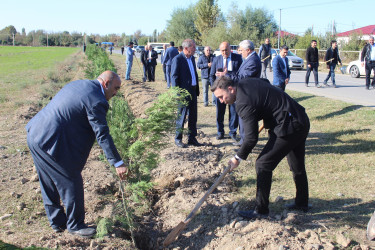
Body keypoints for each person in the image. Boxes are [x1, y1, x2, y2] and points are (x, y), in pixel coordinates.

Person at [26, 71, 129, 237]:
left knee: (48, 182)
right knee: (71, 179)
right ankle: (75, 225)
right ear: (106, 84)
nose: (116, 93)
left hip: (36, 133)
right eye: (116, 88)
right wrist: (117, 162)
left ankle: (57, 222)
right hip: (51, 140)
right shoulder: (97, 100)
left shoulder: (80, 84)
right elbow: (102, 134)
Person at [211, 76, 311, 219]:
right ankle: (302, 203)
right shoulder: (245, 82)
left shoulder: (242, 103)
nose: (221, 101)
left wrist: (237, 157)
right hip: (299, 117)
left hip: (289, 125)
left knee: (263, 164)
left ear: (231, 89)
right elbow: (265, 82)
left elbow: (251, 138)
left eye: (222, 97)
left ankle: (261, 210)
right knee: (297, 165)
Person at [216, 40, 262, 146]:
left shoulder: (253, 61)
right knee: (242, 119)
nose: (239, 52)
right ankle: (243, 141)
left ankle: (245, 143)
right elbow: (238, 74)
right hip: (243, 93)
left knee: (246, 120)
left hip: (248, 95)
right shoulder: (248, 59)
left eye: (241, 50)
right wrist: (228, 73)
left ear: (248, 50)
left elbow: (242, 78)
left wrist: (226, 75)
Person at [171, 39, 201, 148]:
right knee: (182, 116)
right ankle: (178, 139)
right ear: (186, 48)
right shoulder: (178, 59)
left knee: (193, 116)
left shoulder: (192, 58)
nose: (195, 49)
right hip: (183, 93)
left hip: (192, 91)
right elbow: (174, 77)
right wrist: (177, 94)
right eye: (193, 47)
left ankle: (192, 138)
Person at [210, 42, 242, 142]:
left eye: (226, 50)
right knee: (219, 112)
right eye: (222, 50)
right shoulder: (216, 59)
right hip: (219, 92)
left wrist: (227, 74)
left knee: (234, 112)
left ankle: (232, 132)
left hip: (232, 91)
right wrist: (214, 88)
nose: (224, 52)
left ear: (230, 49)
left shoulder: (237, 58)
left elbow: (240, 74)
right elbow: (211, 75)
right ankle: (220, 132)